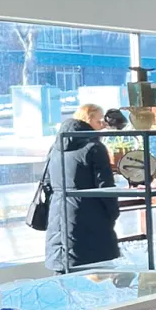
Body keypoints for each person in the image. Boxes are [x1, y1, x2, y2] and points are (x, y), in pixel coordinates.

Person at [44, 104, 119, 273]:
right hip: (91, 220)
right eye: (100, 121)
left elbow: (48, 183)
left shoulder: (55, 148)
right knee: (98, 282)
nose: (102, 126)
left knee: (64, 280)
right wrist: (112, 214)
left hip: (58, 216)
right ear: (88, 120)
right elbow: (106, 188)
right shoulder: (94, 148)